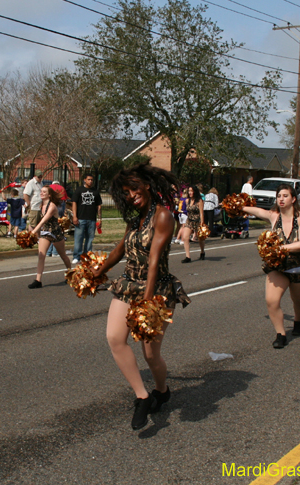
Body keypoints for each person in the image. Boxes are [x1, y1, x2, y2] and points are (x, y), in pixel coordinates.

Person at [91, 161, 190, 430]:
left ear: (146, 186)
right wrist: (97, 271)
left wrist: (147, 304)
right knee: (114, 338)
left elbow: (155, 262)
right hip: (128, 284)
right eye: (126, 193)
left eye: (135, 190)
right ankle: (142, 396)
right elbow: (120, 250)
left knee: (150, 354)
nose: (132, 196)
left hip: (155, 290)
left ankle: (161, 390)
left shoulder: (163, 216)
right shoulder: (135, 218)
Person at [241, 184, 300, 348]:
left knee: (299, 300)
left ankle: (298, 320)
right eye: (279, 196)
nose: (281, 199)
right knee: (271, 300)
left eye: (285, 196)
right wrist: (238, 206)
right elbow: (256, 211)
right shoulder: (274, 216)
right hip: (278, 267)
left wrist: (278, 248)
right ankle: (280, 334)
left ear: (293, 199)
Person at [27, 186, 72, 289]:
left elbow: (43, 221)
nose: (41, 193)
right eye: (41, 191)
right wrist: (32, 231)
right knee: (41, 255)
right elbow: (39, 221)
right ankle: (38, 280)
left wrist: (33, 232)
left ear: (49, 195)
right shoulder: (40, 205)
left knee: (63, 255)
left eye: (44, 192)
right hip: (46, 233)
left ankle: (71, 274)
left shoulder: (52, 206)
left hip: (56, 233)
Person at [71, 173, 102, 265]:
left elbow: (99, 206)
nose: (90, 181)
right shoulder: (79, 190)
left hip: (92, 219)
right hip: (81, 218)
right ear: (84, 180)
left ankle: (87, 256)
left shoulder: (95, 192)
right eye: (89, 179)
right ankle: (76, 256)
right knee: (78, 238)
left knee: (89, 239)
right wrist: (75, 216)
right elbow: (74, 203)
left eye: (92, 180)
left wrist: (99, 219)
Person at [180, 185, 206, 263]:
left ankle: (202, 252)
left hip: (197, 221)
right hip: (189, 221)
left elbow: (201, 213)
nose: (190, 193)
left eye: (191, 191)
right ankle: (188, 257)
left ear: (195, 192)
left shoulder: (199, 201)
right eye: (189, 191)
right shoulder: (187, 200)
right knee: (185, 237)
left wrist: (202, 223)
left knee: (200, 239)